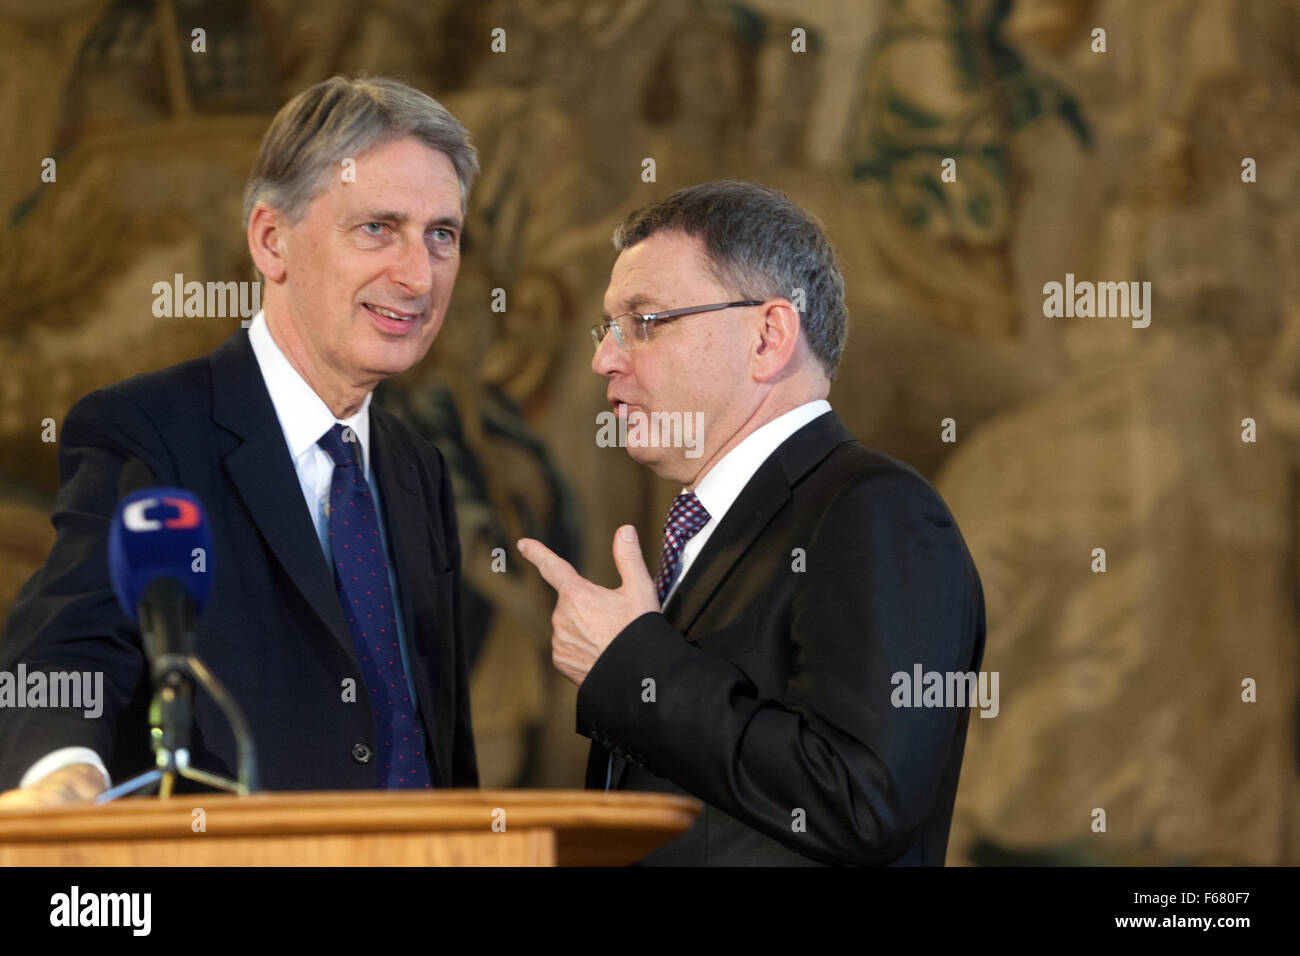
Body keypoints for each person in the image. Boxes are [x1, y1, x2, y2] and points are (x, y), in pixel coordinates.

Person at [0, 76, 479, 804]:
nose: (417, 275)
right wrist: (61, 776)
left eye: (440, 235)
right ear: (271, 240)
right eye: (378, 228)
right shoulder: (148, 432)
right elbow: (69, 647)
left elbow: (434, 740)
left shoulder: (419, 468)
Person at [517, 180, 986, 865]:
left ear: (768, 337)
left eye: (644, 321)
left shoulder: (875, 511)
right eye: (609, 327)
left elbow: (862, 800)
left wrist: (632, 666)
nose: (604, 358)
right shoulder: (716, 524)